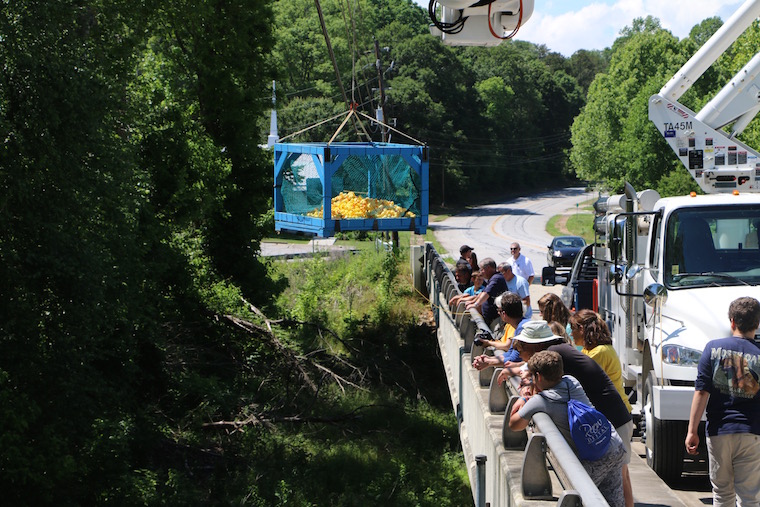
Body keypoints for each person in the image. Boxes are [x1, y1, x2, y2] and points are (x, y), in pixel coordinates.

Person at [476, 320, 633, 505]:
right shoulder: (565, 370)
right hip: (605, 429)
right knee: (614, 490)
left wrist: (526, 395)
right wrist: (515, 372)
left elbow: (516, 420)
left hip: (611, 419)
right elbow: (536, 371)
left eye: (522, 347)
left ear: (535, 345)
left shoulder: (555, 357)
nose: (520, 352)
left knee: (607, 485)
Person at [509, 350, 626, 507]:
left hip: (594, 458)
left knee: (582, 501)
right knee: (614, 502)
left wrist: (524, 399)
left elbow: (514, 424)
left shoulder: (540, 401)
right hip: (613, 444)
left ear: (538, 377)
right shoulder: (571, 381)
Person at [685, 297, 760, 507]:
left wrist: (692, 431)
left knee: (722, 493)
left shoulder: (712, 348)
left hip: (719, 431)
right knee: (750, 497)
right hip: (752, 432)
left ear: (732, 321)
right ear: (757, 323)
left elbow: (701, 392)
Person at [570, 309, 633, 507]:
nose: (571, 333)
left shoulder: (599, 353)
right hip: (612, 417)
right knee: (620, 473)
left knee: (621, 473)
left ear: (582, 329)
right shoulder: (591, 351)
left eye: (573, 328)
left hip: (617, 418)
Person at [471, 292, 530, 365]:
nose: (498, 313)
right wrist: (489, 358)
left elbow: (514, 359)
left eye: (499, 310)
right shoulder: (519, 326)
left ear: (504, 314)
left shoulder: (522, 329)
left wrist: (488, 362)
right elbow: (510, 353)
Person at [465, 257, 506, 325]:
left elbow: (486, 294)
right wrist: (472, 302)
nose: (481, 272)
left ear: (488, 268)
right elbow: (482, 293)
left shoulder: (496, 278)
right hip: (489, 318)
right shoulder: (492, 279)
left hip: (496, 320)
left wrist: (475, 305)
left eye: (482, 269)